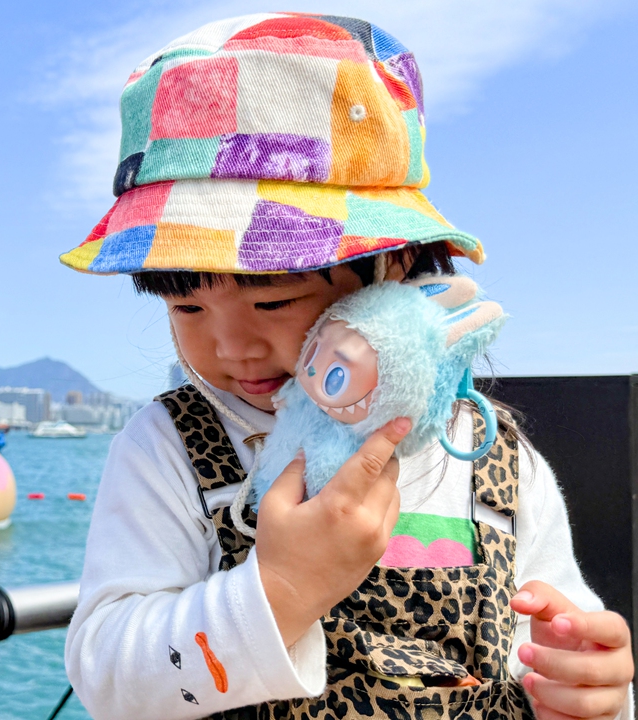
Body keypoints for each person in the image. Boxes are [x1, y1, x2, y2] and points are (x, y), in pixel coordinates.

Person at [59, 13, 634, 720]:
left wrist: (592, 688)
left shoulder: (495, 461)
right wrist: (280, 589)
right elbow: (107, 676)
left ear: (391, 268)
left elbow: (557, 640)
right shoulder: (168, 450)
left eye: (273, 299)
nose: (231, 346)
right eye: (187, 309)